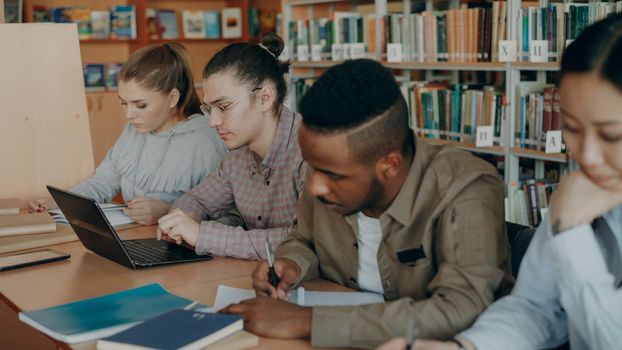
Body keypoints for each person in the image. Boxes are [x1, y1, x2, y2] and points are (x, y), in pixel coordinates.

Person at [220, 59, 513, 349]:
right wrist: (291, 264)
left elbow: (460, 308)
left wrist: (306, 322)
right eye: (312, 166)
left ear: (389, 166)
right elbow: (302, 239)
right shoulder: (327, 169)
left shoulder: (466, 188)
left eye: (333, 175)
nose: (315, 186)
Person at [378, 13, 622, 350]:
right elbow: (535, 308)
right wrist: (462, 347)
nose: (588, 156)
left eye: (611, 135)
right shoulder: (584, 194)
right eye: (573, 129)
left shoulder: (574, 208)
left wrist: (572, 237)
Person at [28, 43, 227, 225]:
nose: (129, 115)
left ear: (173, 97)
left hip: (182, 250)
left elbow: (227, 216)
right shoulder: (136, 128)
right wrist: (61, 201)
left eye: (141, 105)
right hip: (134, 238)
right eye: (124, 103)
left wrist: (168, 211)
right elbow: (103, 182)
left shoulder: (207, 140)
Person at [156, 33, 305, 260]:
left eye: (223, 106)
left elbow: (303, 241)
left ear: (265, 98)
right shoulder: (237, 157)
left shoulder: (312, 152)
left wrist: (203, 235)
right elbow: (196, 200)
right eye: (209, 109)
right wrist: (181, 220)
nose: (213, 121)